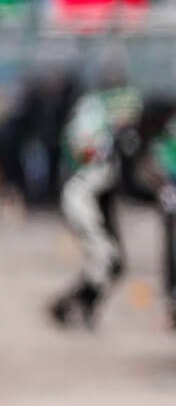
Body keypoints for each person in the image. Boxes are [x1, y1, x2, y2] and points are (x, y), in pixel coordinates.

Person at [47, 67, 150, 327]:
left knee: (114, 263)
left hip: (99, 199)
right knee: (105, 258)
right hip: (81, 198)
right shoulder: (93, 117)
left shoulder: (123, 141)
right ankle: (68, 306)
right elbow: (82, 149)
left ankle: (78, 306)